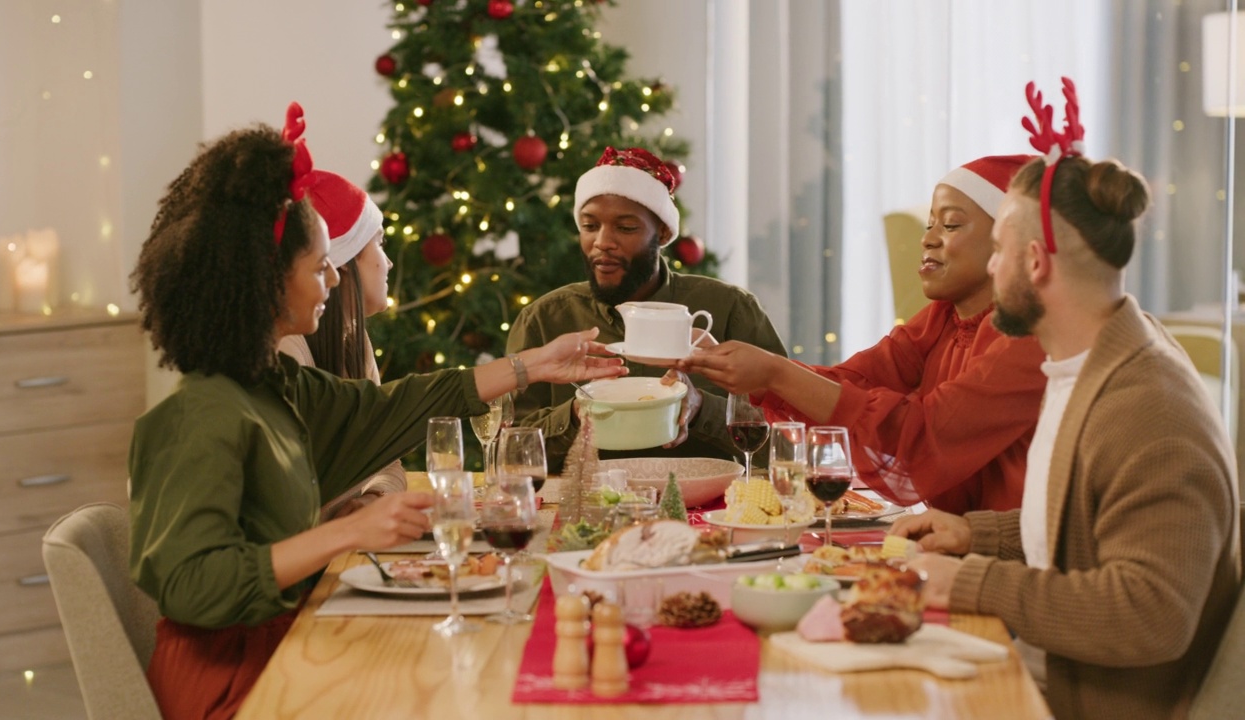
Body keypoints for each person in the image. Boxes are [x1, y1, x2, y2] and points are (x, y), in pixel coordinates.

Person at [128, 120, 624, 720]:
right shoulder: (198, 418)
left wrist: (533, 366)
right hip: (236, 684)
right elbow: (191, 585)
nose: (334, 279)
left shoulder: (270, 386)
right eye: (318, 267)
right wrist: (347, 533)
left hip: (284, 646)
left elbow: (395, 408)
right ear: (263, 282)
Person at [891, 83, 1239, 720]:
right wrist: (977, 535)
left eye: (997, 252)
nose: (989, 272)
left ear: (1033, 262)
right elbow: (1083, 536)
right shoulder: (1081, 366)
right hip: (1048, 669)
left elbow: (1151, 614)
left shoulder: (1149, 410)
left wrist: (971, 581)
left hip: (1086, 701)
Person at [678, 155, 1047, 513]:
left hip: (1012, 556)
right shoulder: (942, 319)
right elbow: (854, 381)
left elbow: (924, 434)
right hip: (951, 544)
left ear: (1009, 242)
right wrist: (740, 367)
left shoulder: (1029, 338)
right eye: (929, 224)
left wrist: (775, 373)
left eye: (949, 226)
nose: (928, 240)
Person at [506, 146, 787, 473]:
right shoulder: (545, 320)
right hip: (581, 513)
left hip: (711, 512)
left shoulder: (730, 310)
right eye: (590, 226)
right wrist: (574, 415)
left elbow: (790, 442)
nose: (603, 242)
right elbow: (511, 453)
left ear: (663, 233)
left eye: (625, 228)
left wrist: (701, 410)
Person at [274, 103, 407, 519]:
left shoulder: (351, 338)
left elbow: (387, 458)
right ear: (339, 267)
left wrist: (372, 500)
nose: (387, 263)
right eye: (378, 246)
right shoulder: (285, 353)